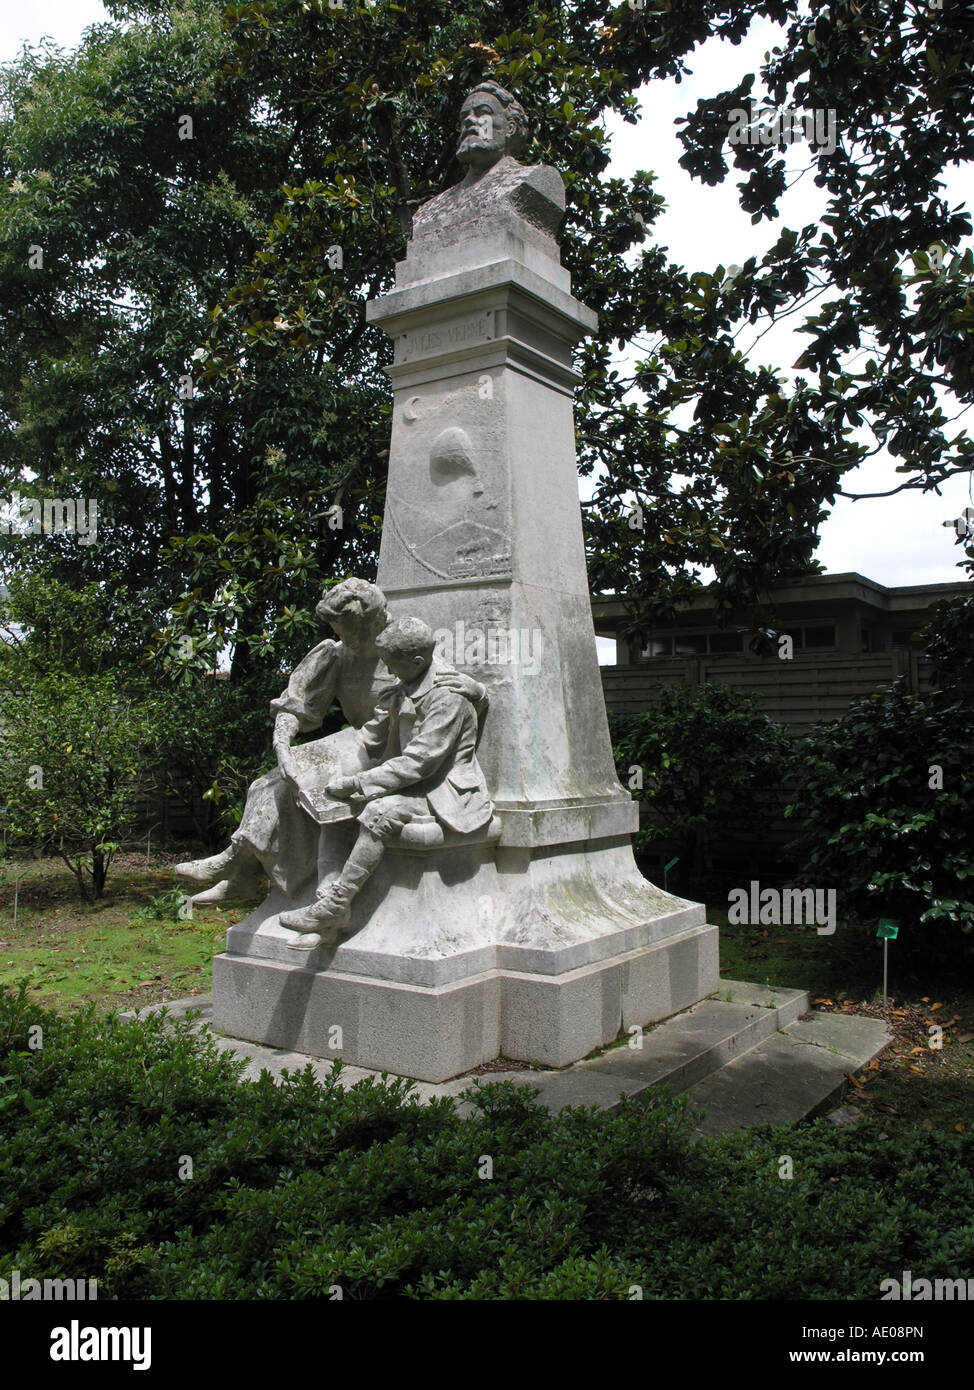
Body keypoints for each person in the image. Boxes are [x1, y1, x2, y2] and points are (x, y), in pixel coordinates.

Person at [176, 580, 485, 903]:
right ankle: (239, 870)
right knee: (269, 785)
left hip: (386, 753)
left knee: (318, 792)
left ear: (378, 619)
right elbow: (296, 704)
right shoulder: (336, 655)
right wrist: (283, 745)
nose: (346, 639)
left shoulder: (403, 649)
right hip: (356, 744)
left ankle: (264, 875)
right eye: (340, 630)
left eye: (351, 631)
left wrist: (478, 692)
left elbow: (448, 700)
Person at [279, 617, 493, 937]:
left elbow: (420, 763)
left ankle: (337, 905)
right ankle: (323, 896)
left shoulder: (447, 697)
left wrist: (358, 783)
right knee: (329, 806)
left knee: (379, 812)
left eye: (393, 665)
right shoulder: (400, 689)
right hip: (409, 783)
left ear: (417, 661)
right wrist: (320, 765)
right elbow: (368, 738)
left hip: (445, 790)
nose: (389, 672)